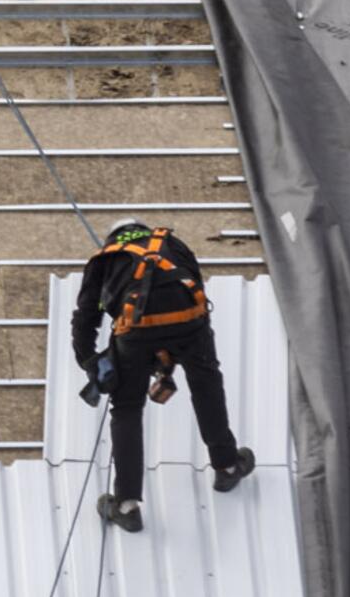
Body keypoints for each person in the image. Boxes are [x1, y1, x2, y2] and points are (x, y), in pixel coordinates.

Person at [72, 217, 255, 532]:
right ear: (143, 230)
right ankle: (227, 465)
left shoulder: (104, 259)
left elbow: (86, 315)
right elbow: (194, 285)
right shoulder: (171, 244)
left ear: (113, 238)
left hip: (135, 334)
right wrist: (169, 359)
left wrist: (89, 360)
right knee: (206, 384)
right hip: (191, 325)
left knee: (127, 408)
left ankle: (127, 505)